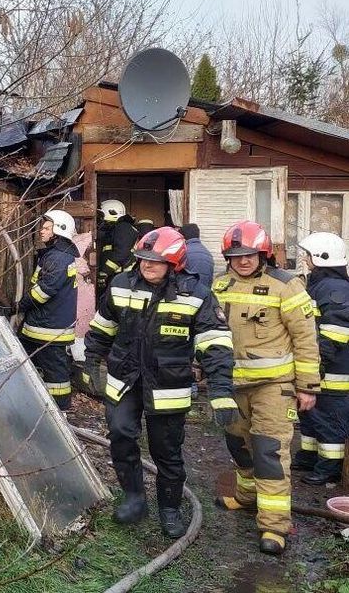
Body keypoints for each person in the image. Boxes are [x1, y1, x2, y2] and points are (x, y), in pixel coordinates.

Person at [84, 227, 236, 538]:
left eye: (154, 260)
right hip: (124, 380)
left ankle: (170, 508)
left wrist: (221, 391)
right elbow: (102, 327)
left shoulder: (196, 295)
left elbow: (215, 345)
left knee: (166, 450)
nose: (146, 264)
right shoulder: (121, 284)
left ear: (174, 263)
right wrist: (90, 363)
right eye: (142, 258)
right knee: (121, 435)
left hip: (169, 386)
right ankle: (134, 499)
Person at [212, 220, 320, 555]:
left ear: (263, 254)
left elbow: (306, 338)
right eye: (236, 255)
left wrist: (308, 387)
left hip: (274, 387)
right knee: (238, 446)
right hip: (232, 385)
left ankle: (274, 525)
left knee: (269, 452)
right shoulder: (219, 285)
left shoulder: (286, 286)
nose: (243, 260)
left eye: (250, 254)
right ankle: (246, 497)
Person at [295, 232, 349, 485]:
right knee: (311, 416)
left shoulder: (335, 288)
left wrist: (318, 364)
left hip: (333, 372)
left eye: (307, 255)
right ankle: (309, 457)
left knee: (329, 421)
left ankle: (329, 468)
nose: (304, 260)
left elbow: (335, 332)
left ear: (320, 258)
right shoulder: (321, 284)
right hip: (319, 368)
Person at [18, 209, 79, 410]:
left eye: (46, 228)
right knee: (33, 368)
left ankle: (60, 412)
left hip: (48, 329)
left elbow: (43, 292)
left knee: (56, 378)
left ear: (59, 231)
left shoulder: (58, 258)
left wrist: (19, 306)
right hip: (44, 325)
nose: (41, 231)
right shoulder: (56, 255)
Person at [96, 199, 137, 298]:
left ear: (111, 212)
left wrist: (105, 271)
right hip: (118, 275)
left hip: (122, 276)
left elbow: (121, 253)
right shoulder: (119, 228)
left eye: (102, 215)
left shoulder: (123, 227)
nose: (101, 218)